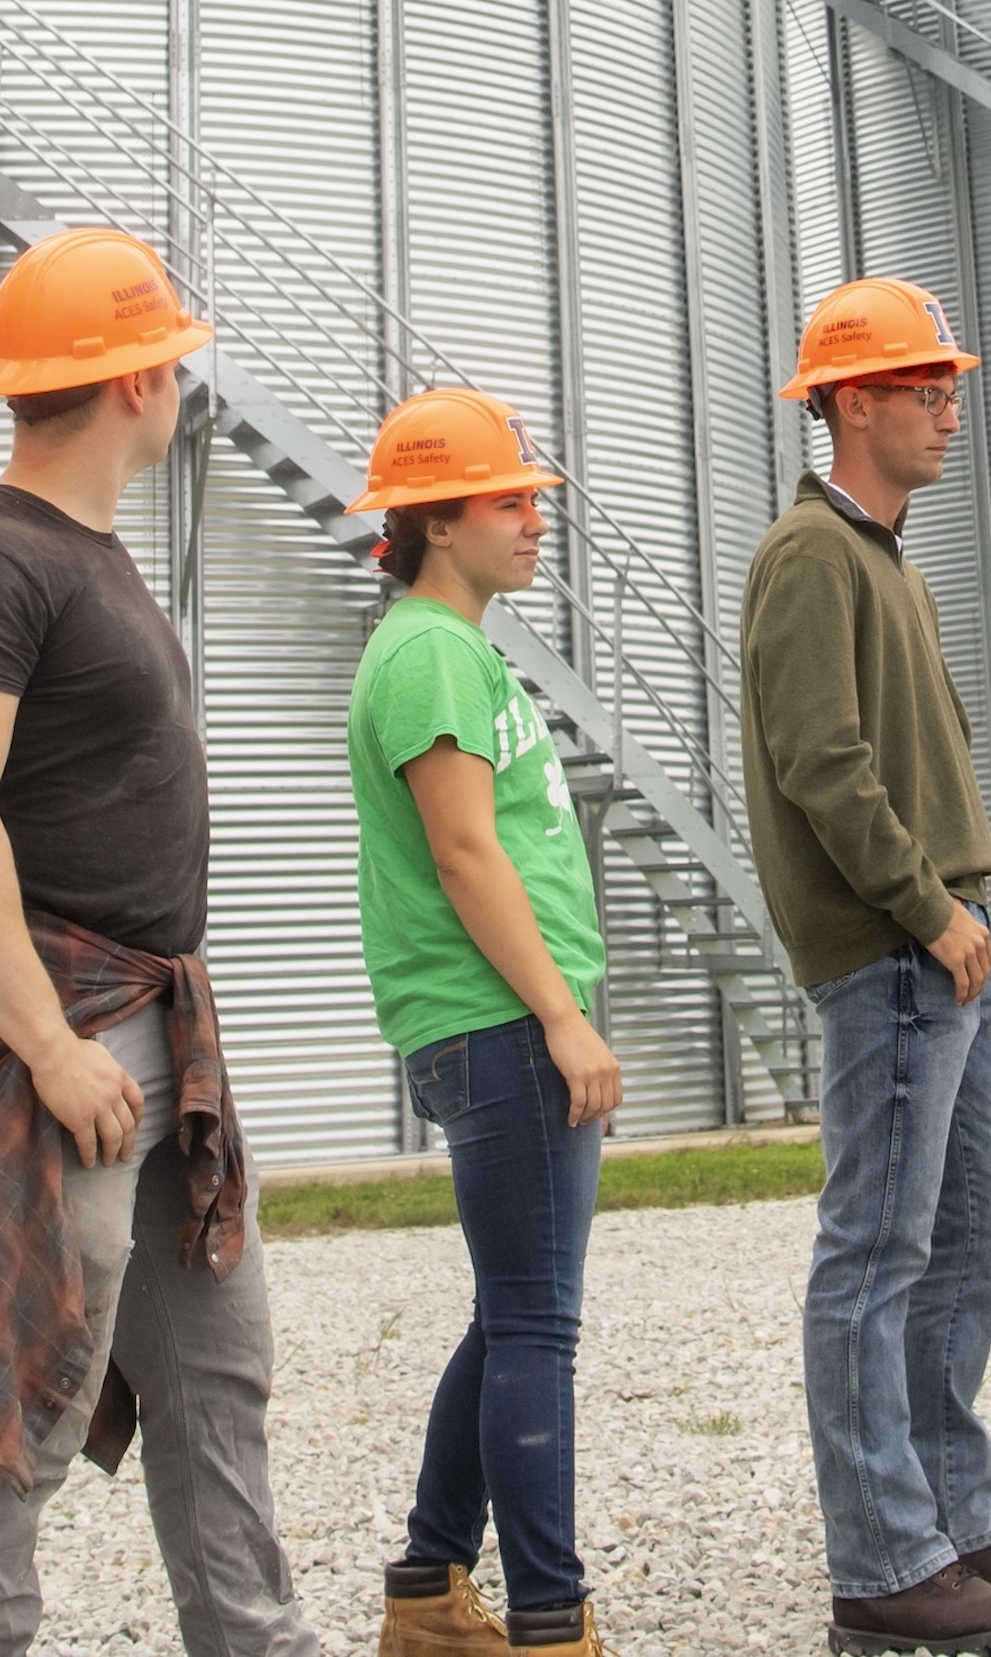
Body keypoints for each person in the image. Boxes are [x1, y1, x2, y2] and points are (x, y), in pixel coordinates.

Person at [0, 225, 319, 1657]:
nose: (181, 377)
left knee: (218, 1369)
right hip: (66, 1030)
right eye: (169, 355)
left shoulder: (86, 553)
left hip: (158, 1033)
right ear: (130, 380)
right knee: (25, 1390)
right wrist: (49, 1046)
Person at [740, 278, 991, 1657]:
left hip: (952, 943)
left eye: (950, 381)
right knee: (877, 1250)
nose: (952, 404)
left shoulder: (895, 559)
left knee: (974, 1232)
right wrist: (923, 908)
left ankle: (950, 1521)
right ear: (852, 398)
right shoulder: (809, 554)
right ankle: (883, 1564)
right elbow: (821, 761)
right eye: (924, 383)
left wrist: (969, 924)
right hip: (899, 947)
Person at [343, 388, 619, 1657]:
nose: (532, 520)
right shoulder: (429, 652)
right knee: (536, 1321)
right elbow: (464, 851)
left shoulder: (452, 645)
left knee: (515, 1306)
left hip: (501, 1018)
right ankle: (552, 1620)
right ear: (435, 521)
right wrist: (561, 1015)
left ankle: (428, 1592)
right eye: (509, 499)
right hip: (500, 1019)